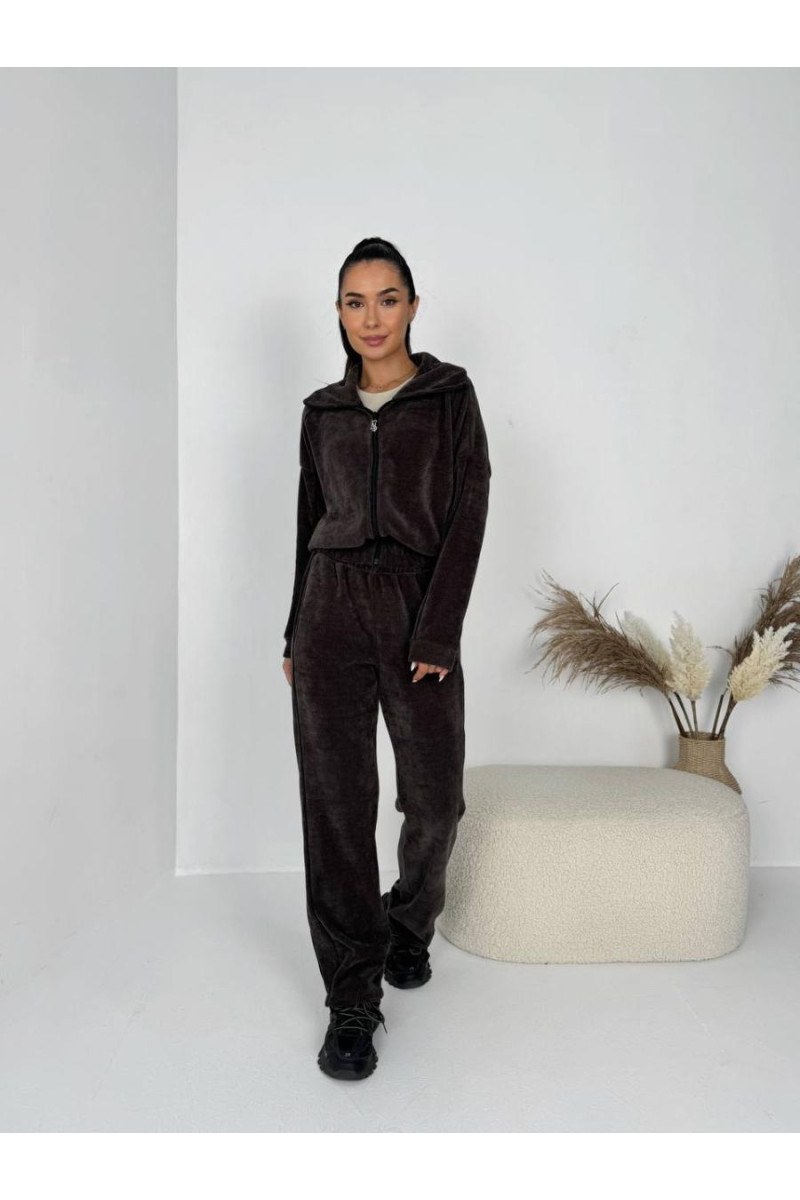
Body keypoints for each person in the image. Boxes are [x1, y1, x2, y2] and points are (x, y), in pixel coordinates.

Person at [282, 236, 491, 1081]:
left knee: (435, 800)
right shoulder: (323, 411)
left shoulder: (449, 397)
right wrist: (294, 631)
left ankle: (407, 920)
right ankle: (352, 998)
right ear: (338, 313)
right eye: (355, 301)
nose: (372, 317)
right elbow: (307, 521)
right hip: (329, 613)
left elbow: (469, 513)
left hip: (415, 609)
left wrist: (438, 633)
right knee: (336, 809)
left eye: (388, 298)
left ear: (413, 305)